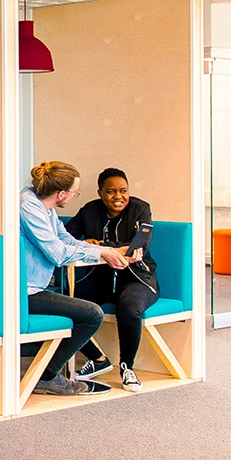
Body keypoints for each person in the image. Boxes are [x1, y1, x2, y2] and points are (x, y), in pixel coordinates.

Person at [20, 161, 131, 396]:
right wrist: (101, 253)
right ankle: (47, 376)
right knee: (91, 315)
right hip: (23, 292)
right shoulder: (29, 207)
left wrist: (108, 250)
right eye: (73, 192)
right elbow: (58, 253)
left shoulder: (45, 208)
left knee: (83, 311)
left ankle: (47, 372)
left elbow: (66, 239)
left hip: (36, 287)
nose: (73, 197)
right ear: (61, 193)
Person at [63, 167, 159, 392]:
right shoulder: (89, 210)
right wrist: (88, 245)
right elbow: (66, 238)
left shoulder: (140, 209)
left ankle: (127, 367)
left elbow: (138, 247)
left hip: (138, 278)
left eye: (123, 191)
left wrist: (99, 247)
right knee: (67, 305)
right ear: (100, 193)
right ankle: (98, 358)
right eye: (111, 192)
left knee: (129, 307)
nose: (118, 197)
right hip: (100, 278)